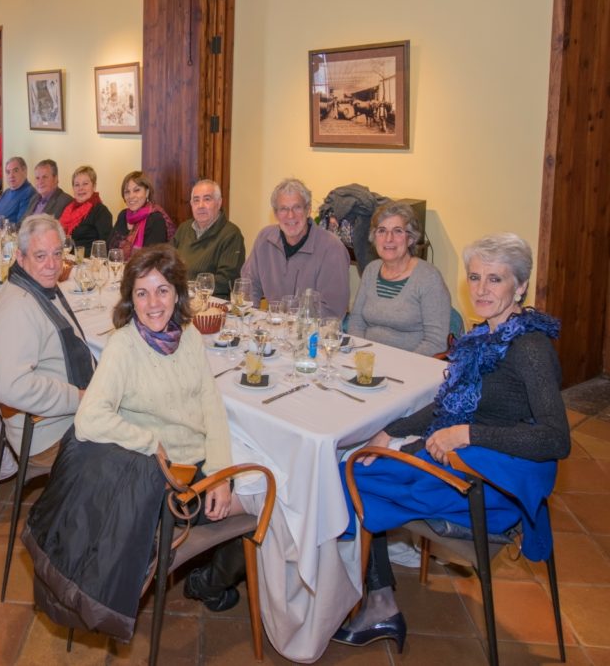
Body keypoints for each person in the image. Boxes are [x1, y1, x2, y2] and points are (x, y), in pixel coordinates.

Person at [335, 233, 570, 652]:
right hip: (465, 464)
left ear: (519, 287)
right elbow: (448, 404)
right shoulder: (486, 338)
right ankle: (375, 594)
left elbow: (555, 438)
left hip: (486, 487)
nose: (481, 289)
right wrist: (393, 430)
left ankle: (379, 601)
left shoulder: (528, 347)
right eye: (475, 277)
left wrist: (467, 434)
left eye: (495, 280)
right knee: (359, 462)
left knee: (345, 476)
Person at [74, 244, 245, 611]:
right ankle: (209, 582)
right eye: (142, 292)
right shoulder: (123, 346)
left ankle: (207, 578)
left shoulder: (189, 336)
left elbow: (211, 406)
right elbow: (88, 419)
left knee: (251, 484)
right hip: (168, 482)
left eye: (162, 290)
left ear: (177, 294)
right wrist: (152, 442)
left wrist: (219, 474)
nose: (153, 303)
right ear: (130, 300)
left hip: (196, 468)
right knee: (271, 502)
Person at [0, 214, 95, 465]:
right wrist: (80, 398)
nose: (52, 264)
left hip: (54, 418)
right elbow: (12, 387)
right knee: (137, 451)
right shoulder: (17, 309)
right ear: (20, 258)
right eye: (40, 255)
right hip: (47, 431)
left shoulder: (37, 290)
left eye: (57, 254)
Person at [347, 203, 451, 355]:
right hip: (366, 361)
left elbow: (436, 342)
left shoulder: (428, 278)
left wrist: (402, 365)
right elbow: (356, 322)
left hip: (409, 367)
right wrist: (361, 356)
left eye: (398, 231)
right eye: (382, 231)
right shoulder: (371, 270)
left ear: (410, 239)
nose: (389, 239)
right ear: (374, 237)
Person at [241, 177, 350, 318]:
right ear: (275, 214)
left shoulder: (332, 248)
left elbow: (332, 312)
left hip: (313, 334)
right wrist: (248, 318)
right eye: (283, 209)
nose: (290, 215)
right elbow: (249, 287)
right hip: (275, 329)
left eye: (297, 207)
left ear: (308, 210)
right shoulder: (264, 239)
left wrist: (293, 326)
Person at [173, 179, 245, 298]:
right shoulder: (184, 228)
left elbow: (227, 280)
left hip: (212, 305)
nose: (200, 206)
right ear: (191, 204)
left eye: (207, 199)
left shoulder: (231, 234)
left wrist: (189, 287)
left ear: (219, 202)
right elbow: (167, 262)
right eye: (196, 200)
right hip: (180, 298)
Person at [108, 171, 175, 260]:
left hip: (143, 272)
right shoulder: (123, 215)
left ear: (147, 192)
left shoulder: (156, 219)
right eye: (127, 192)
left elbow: (152, 259)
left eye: (137, 190)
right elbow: (108, 249)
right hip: (115, 271)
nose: (131, 196)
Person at [57, 165, 112, 257]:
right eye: (77, 185)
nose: (80, 188)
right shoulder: (68, 209)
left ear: (94, 186)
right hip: (68, 259)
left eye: (85, 184)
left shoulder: (101, 211)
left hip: (88, 262)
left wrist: (78, 254)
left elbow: (105, 247)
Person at [0, 156, 35, 228]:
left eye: (15, 170)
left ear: (25, 171)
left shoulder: (29, 193)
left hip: (7, 237)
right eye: (8, 172)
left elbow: (20, 225)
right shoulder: (6, 192)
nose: (11, 175)